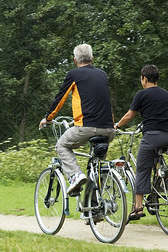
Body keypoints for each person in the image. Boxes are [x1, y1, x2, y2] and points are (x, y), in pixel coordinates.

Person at [39, 44, 115, 196]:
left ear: (75, 60)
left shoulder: (74, 74)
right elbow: (104, 101)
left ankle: (75, 175)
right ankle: (95, 209)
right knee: (97, 167)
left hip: (86, 127)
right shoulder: (103, 74)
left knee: (62, 145)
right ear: (92, 59)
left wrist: (48, 118)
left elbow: (60, 98)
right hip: (109, 129)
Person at [115, 64, 168, 220]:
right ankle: (162, 185)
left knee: (142, 169)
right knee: (156, 162)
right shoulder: (165, 93)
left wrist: (116, 126)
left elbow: (130, 115)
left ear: (144, 78)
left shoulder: (141, 94)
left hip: (152, 136)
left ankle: (137, 208)